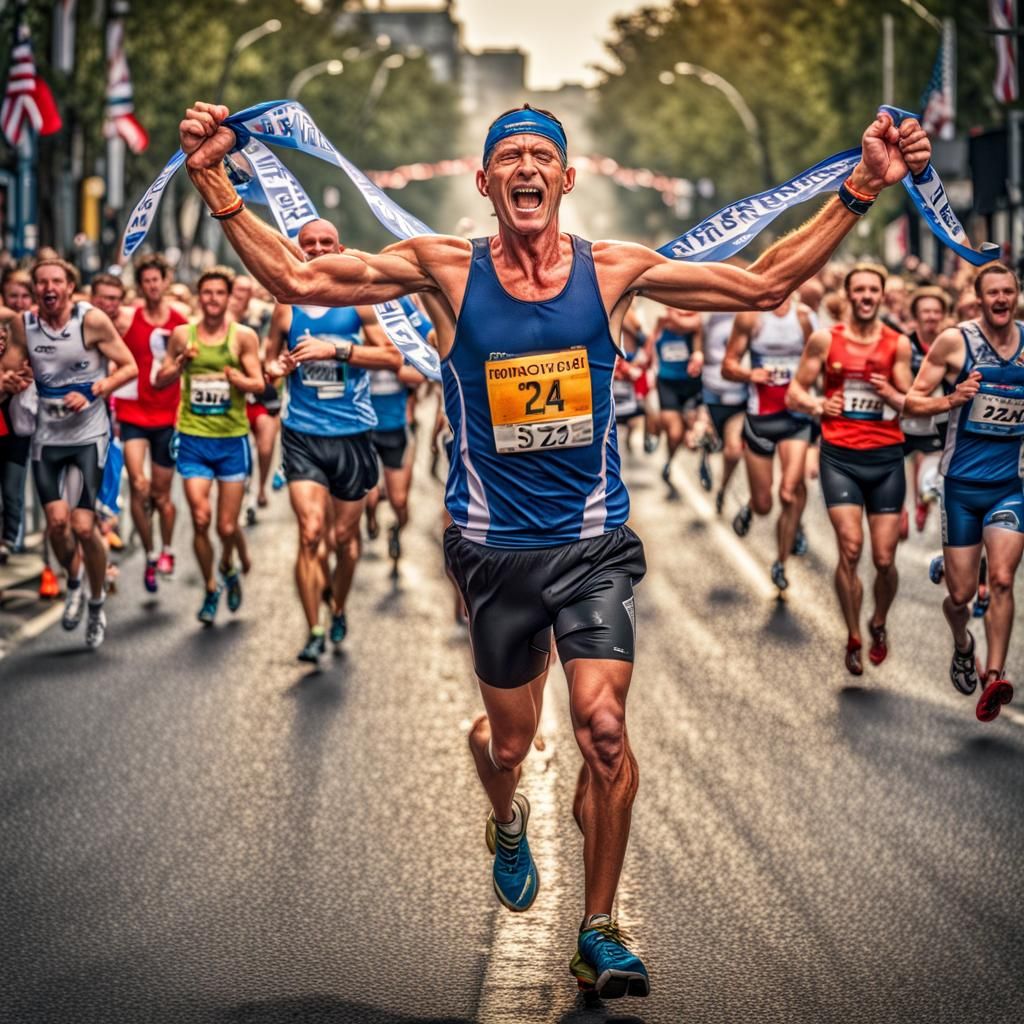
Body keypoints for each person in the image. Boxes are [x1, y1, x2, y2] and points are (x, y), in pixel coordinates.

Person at [180, 97, 929, 998]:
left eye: (544, 155)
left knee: (604, 732)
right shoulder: (442, 271)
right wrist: (212, 178)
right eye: (512, 157)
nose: (528, 168)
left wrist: (862, 186)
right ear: (487, 181)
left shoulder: (614, 272)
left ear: (566, 180)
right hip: (494, 554)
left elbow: (764, 283)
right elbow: (302, 286)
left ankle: (600, 927)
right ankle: (507, 820)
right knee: (510, 745)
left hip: (591, 547)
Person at [262, 218, 402, 663]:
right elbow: (268, 363)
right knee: (310, 533)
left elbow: (392, 357)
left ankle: (338, 605)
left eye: (326, 242)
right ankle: (314, 629)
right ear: (299, 252)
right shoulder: (286, 305)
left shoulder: (359, 304)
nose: (319, 249)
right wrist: (276, 370)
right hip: (303, 432)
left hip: (354, 434)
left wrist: (335, 350)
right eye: (309, 244)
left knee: (346, 539)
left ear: (339, 248)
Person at [904, 263, 1024, 723]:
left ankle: (994, 675)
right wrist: (951, 400)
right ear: (978, 299)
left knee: (1003, 580)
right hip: (961, 488)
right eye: (991, 292)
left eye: (1007, 292)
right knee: (959, 597)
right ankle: (962, 645)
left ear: (1016, 295)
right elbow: (912, 402)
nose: (1000, 299)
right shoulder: (957, 341)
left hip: (1009, 488)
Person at [0, 258, 137, 648]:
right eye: (41, 282)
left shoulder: (91, 321)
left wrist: (96, 388)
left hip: (88, 437)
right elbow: (8, 378)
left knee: (82, 526)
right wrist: (10, 381)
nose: (48, 288)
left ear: (70, 288)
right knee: (57, 527)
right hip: (48, 438)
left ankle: (95, 603)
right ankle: (73, 580)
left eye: (56, 281)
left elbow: (128, 367)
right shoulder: (24, 326)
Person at [788, 264, 912, 674]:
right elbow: (795, 392)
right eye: (858, 290)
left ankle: (879, 621)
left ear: (880, 296)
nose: (865, 296)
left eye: (872, 290)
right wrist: (818, 405)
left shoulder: (897, 343)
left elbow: (909, 399)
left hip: (886, 459)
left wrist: (891, 392)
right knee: (851, 547)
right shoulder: (825, 341)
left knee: (882, 558)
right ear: (848, 295)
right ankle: (853, 633)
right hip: (840, 456)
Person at [154, 268, 264, 625]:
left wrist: (237, 378)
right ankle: (211, 586)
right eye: (207, 293)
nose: (213, 299)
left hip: (232, 440)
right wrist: (182, 362)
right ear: (199, 297)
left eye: (219, 293)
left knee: (227, 528)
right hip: (193, 438)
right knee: (201, 519)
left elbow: (259, 384)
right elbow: (159, 380)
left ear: (229, 297)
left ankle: (230, 566)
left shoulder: (242, 337)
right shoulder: (183, 335)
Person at [723, 294, 814, 591]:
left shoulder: (804, 317)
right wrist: (751, 374)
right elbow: (728, 366)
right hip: (761, 418)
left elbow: (822, 363)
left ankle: (781, 561)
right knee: (765, 504)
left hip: (796, 418)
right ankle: (752, 506)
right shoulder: (750, 316)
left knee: (789, 491)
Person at [114, 254, 189, 593]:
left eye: (156, 280)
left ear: (165, 281)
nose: (152, 286)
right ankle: (148, 553)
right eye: (145, 281)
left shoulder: (180, 321)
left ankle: (167, 549)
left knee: (161, 495)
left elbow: (189, 369)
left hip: (166, 413)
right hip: (132, 413)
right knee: (139, 486)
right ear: (140, 285)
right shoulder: (129, 321)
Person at [366, 293, 428, 572]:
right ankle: (370, 515)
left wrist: (393, 360)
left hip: (396, 428)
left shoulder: (404, 336)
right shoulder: (357, 333)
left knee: (399, 500)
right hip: (363, 428)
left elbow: (421, 374)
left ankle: (395, 529)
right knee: (367, 496)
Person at [900, 286, 951, 534]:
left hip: (936, 419)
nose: (931, 316)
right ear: (916, 315)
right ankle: (900, 509)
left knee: (926, 466)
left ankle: (922, 500)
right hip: (903, 419)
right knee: (902, 464)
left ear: (943, 315)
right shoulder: (904, 345)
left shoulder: (951, 344)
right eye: (926, 311)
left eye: (936, 311)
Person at [698, 311, 747, 514]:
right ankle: (706, 455)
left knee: (733, 450)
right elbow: (698, 335)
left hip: (738, 395)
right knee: (705, 437)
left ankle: (722, 489)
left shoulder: (752, 314)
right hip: (710, 388)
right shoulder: (709, 311)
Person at [651, 305, 703, 486]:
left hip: (691, 385)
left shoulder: (696, 328)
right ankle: (669, 461)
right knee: (674, 434)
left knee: (693, 442)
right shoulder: (661, 323)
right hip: (667, 384)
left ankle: (702, 461)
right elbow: (650, 347)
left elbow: (695, 325)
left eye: (687, 313)